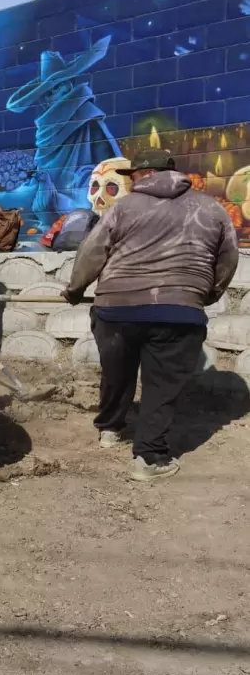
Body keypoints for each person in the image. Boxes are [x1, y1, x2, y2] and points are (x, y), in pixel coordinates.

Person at [65, 149, 239, 482]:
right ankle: (149, 459)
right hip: (179, 310)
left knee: (117, 371)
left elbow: (93, 250)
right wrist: (207, 294)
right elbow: (227, 258)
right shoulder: (210, 207)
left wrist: (75, 289)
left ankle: (110, 430)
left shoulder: (123, 208)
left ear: (140, 175)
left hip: (116, 310)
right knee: (161, 387)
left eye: (130, 177)